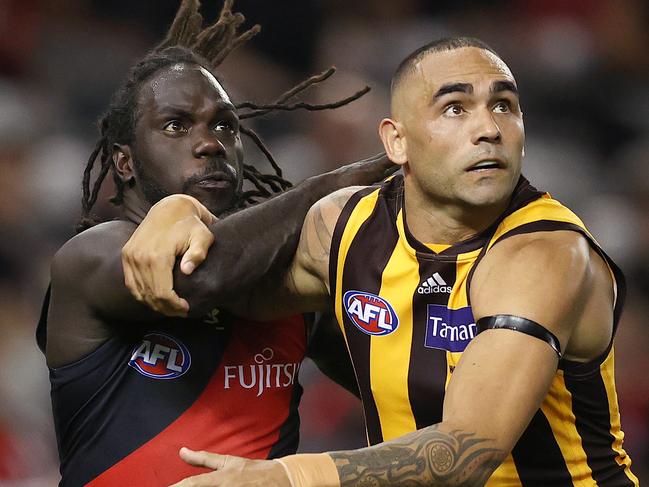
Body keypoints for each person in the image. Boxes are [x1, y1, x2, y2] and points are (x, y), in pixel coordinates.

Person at [124, 37, 640, 486]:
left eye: (504, 105)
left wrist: (286, 476)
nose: (488, 128)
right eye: (455, 109)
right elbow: (217, 283)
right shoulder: (346, 228)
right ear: (396, 140)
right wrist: (179, 211)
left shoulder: (545, 251)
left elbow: (468, 452)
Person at [37, 1, 394, 485]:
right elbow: (200, 275)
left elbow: (396, 390)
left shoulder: (290, 283)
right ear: (124, 163)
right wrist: (338, 184)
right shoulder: (90, 257)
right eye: (176, 126)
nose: (210, 143)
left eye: (225, 125)